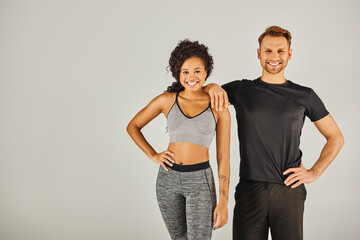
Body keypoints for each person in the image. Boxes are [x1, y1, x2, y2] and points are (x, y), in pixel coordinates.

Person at [204, 26, 344, 240]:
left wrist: (314, 172)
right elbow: (202, 94)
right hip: (250, 189)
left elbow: (336, 137)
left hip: (289, 190)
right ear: (259, 53)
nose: (274, 56)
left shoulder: (305, 95)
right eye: (268, 50)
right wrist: (211, 86)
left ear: (289, 54)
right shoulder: (242, 90)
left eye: (280, 51)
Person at [127, 39, 231, 240]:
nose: (191, 77)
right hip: (168, 179)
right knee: (179, 238)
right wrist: (153, 155)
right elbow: (133, 126)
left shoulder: (218, 106)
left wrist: (224, 202)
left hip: (200, 181)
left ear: (206, 71)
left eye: (197, 71)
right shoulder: (166, 100)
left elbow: (224, 157)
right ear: (177, 72)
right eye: (185, 72)